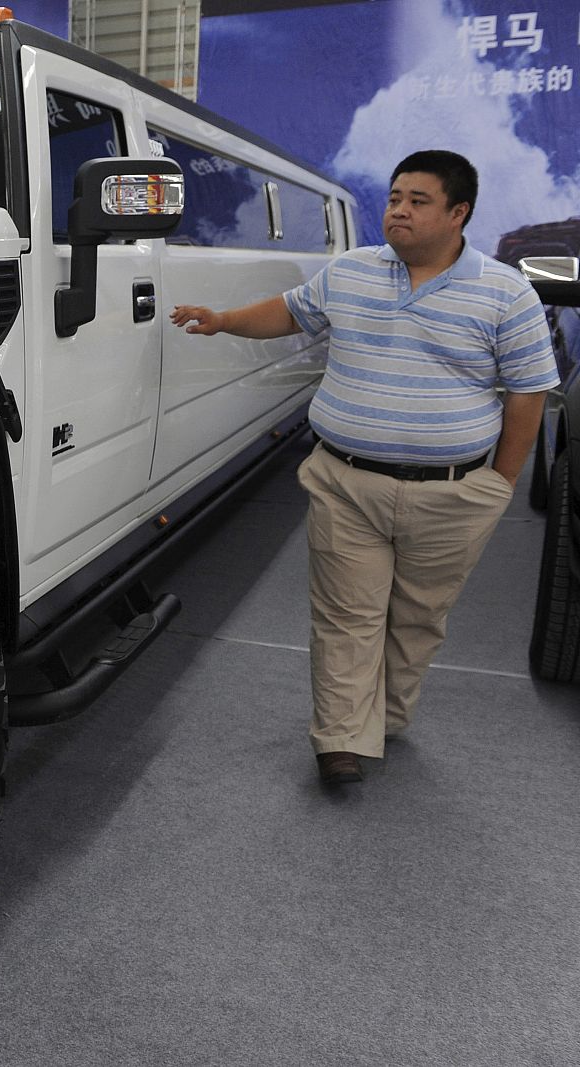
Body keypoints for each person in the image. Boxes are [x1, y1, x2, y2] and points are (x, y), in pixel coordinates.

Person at [170, 150, 559, 786]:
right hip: (344, 480)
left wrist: (498, 484)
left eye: (418, 201)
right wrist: (223, 322)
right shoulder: (350, 272)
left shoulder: (504, 293)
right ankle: (342, 738)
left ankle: (388, 715)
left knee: (417, 618)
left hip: (454, 494)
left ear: (458, 213)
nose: (398, 211)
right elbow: (292, 312)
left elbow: (528, 393)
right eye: (394, 197)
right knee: (346, 614)